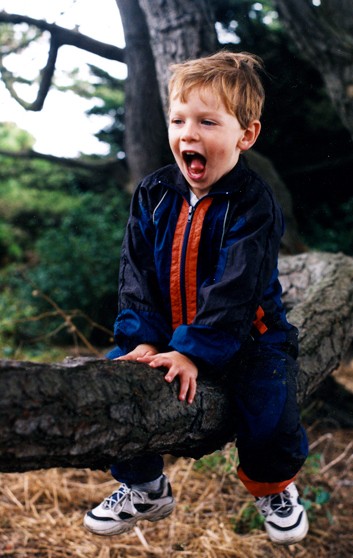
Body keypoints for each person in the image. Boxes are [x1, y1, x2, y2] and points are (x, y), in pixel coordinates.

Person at [83, 50, 309, 545]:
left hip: (249, 336)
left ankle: (274, 487)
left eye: (208, 121)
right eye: (178, 119)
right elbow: (136, 273)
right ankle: (143, 485)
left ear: (245, 135)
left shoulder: (253, 203)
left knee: (269, 399)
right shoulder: (154, 192)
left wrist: (193, 351)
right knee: (114, 378)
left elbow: (236, 287)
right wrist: (142, 340)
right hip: (167, 333)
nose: (189, 133)